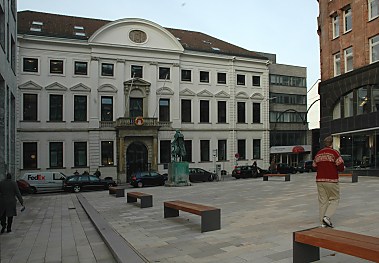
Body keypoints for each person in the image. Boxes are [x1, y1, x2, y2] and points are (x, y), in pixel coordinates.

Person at [312, 136, 345, 228]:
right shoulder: (334, 153)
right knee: (335, 199)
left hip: (319, 180)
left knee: (323, 201)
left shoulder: (318, 153)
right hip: (332, 180)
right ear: (332, 143)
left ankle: (323, 222)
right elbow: (341, 166)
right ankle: (327, 217)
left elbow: (314, 166)